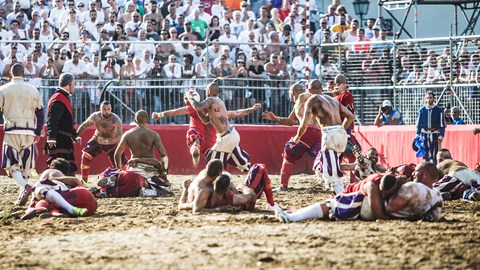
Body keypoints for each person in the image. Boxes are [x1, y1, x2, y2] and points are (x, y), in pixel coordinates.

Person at [152, 91, 261, 167]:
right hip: (212, 140)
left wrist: (159, 115)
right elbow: (237, 113)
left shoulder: (192, 109)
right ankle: (237, 166)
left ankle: (195, 150)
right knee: (214, 156)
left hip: (197, 133)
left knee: (195, 141)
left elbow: (174, 112)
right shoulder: (215, 111)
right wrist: (251, 109)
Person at [261, 81, 323, 190]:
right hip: (319, 133)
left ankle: (283, 185)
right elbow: (290, 121)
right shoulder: (303, 102)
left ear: (292, 93)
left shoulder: (302, 98)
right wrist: (275, 118)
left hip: (307, 132)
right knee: (322, 159)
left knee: (288, 152)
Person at [0, 63, 44, 205]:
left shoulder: (4, 89)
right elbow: (40, 113)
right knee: (26, 166)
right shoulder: (33, 89)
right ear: (23, 73)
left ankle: (25, 187)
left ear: (11, 74)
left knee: (11, 164)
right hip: (29, 130)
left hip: (12, 130)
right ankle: (22, 194)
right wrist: (37, 131)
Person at [294, 93, 354, 194]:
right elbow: (350, 116)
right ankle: (339, 190)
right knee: (325, 166)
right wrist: (341, 130)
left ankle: (341, 196)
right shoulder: (333, 100)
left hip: (329, 134)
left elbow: (304, 124)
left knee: (330, 173)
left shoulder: (312, 100)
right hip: (341, 133)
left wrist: (298, 137)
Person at [185, 82, 251, 172]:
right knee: (241, 162)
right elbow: (206, 120)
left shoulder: (211, 99)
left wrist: (190, 98)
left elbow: (198, 106)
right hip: (232, 134)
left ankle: (218, 181)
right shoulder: (219, 101)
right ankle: (256, 173)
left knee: (211, 163)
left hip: (225, 136)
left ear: (208, 91)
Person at [275, 174, 399, 222]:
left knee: (326, 208)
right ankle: (292, 216)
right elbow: (379, 213)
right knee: (329, 207)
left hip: (357, 196)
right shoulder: (372, 186)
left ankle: (293, 213)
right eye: (381, 192)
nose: (382, 195)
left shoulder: (395, 181)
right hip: (350, 192)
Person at [178, 160, 275, 213]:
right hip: (241, 200)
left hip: (211, 199)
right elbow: (197, 209)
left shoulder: (202, 177)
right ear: (219, 173)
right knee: (259, 168)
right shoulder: (205, 190)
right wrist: (242, 187)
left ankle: (271, 204)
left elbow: (184, 206)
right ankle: (271, 204)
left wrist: (185, 190)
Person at [114, 110, 170, 197]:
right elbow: (164, 155)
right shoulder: (153, 134)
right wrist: (164, 172)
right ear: (147, 120)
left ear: (135, 120)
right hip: (149, 170)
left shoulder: (127, 134)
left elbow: (117, 154)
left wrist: (119, 170)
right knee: (167, 190)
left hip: (133, 169)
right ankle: (147, 191)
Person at [20, 158, 97, 220]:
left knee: (44, 200)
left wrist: (24, 202)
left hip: (41, 189)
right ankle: (56, 212)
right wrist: (85, 188)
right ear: (66, 171)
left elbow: (30, 191)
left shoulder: (44, 175)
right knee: (53, 200)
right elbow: (74, 180)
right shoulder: (58, 174)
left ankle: (46, 210)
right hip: (52, 187)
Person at [76, 101, 127, 183]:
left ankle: (123, 179)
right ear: (100, 109)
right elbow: (85, 124)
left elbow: (119, 137)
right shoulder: (95, 116)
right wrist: (76, 134)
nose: (106, 111)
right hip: (97, 139)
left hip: (112, 142)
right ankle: (84, 181)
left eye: (108, 109)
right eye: (104, 109)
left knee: (121, 164)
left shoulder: (116, 120)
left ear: (111, 109)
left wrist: (107, 141)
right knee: (86, 155)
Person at [45, 72, 81, 175]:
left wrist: (75, 135)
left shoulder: (62, 97)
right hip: (59, 139)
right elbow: (53, 120)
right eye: (73, 84)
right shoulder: (59, 98)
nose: (74, 86)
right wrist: (51, 137)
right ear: (69, 84)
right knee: (61, 165)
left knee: (64, 165)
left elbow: (67, 121)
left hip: (63, 137)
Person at [416, 91, 446, 164]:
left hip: (435, 133)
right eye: (427, 98)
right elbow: (419, 124)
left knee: (435, 153)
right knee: (426, 153)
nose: (429, 99)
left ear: (434, 99)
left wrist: (441, 136)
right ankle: (427, 170)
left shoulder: (439, 110)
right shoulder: (422, 110)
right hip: (425, 134)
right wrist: (417, 134)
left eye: (430, 98)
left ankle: (435, 170)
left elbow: (442, 125)